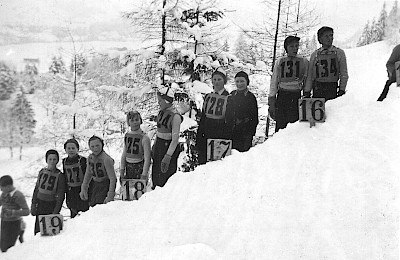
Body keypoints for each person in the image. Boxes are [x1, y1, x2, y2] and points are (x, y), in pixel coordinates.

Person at [269, 36, 309, 132]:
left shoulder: (304, 61)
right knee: (281, 126)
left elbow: (307, 79)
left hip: (296, 96)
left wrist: (306, 93)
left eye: (296, 46)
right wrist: (271, 100)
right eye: (291, 46)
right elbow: (274, 81)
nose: (295, 49)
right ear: (286, 48)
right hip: (282, 96)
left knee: (294, 127)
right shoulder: (280, 61)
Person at [196, 67, 231, 164]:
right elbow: (203, 118)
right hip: (206, 134)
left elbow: (229, 120)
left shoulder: (229, 98)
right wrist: (199, 138)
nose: (216, 82)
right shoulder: (208, 97)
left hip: (220, 135)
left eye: (219, 79)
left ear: (224, 81)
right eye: (214, 79)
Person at [304, 26, 349, 101]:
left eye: (331, 35)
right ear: (320, 39)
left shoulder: (339, 52)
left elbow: (344, 74)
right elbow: (310, 75)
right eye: (326, 36)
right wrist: (307, 91)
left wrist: (342, 90)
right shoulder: (315, 54)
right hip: (318, 89)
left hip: (332, 88)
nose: (330, 38)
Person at [152, 83, 182, 188]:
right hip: (159, 146)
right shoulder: (161, 112)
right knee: (156, 176)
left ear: (166, 101)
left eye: (160, 101)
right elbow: (158, 131)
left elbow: (175, 140)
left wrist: (168, 156)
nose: (158, 103)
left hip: (168, 148)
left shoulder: (175, 117)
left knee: (165, 178)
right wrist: (155, 146)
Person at [31, 149, 65, 235]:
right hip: (40, 203)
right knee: (38, 230)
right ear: (46, 160)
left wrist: (56, 211)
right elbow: (37, 188)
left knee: (48, 232)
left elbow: (61, 195)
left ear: (57, 160)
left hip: (51, 204)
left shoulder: (60, 175)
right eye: (50, 159)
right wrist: (33, 204)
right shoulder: (42, 172)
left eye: (54, 159)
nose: (52, 161)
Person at [226, 71, 259, 152]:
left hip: (245, 134)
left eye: (242, 81)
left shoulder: (251, 97)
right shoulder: (232, 95)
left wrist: (250, 134)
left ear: (247, 82)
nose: (239, 84)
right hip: (231, 133)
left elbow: (254, 118)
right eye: (237, 81)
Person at [79, 136, 116, 207]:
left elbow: (112, 178)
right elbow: (88, 173)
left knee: (101, 207)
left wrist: (110, 194)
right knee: (93, 205)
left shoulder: (106, 159)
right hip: (95, 184)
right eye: (92, 146)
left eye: (97, 145)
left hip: (105, 185)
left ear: (102, 145)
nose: (95, 148)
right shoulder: (90, 158)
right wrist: (84, 188)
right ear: (89, 147)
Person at [0, 175, 29, 252]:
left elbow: (27, 211)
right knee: (2, 245)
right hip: (4, 222)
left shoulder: (18, 195)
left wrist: (13, 212)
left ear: (8, 186)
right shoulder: (4, 194)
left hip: (13, 224)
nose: (1, 189)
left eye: (2, 187)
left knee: (7, 247)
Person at [120, 111, 151, 182]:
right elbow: (124, 153)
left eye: (137, 120)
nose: (135, 122)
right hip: (128, 166)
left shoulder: (144, 137)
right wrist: (122, 170)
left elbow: (147, 158)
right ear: (128, 122)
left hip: (139, 166)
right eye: (132, 120)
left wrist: (144, 174)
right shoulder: (127, 135)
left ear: (140, 121)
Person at [62, 138, 89, 218]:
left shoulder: (83, 160)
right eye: (68, 148)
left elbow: (87, 176)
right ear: (65, 150)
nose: (71, 150)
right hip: (71, 191)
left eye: (73, 148)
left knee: (84, 213)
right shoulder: (64, 161)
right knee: (73, 213)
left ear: (77, 149)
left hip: (81, 190)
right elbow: (66, 178)